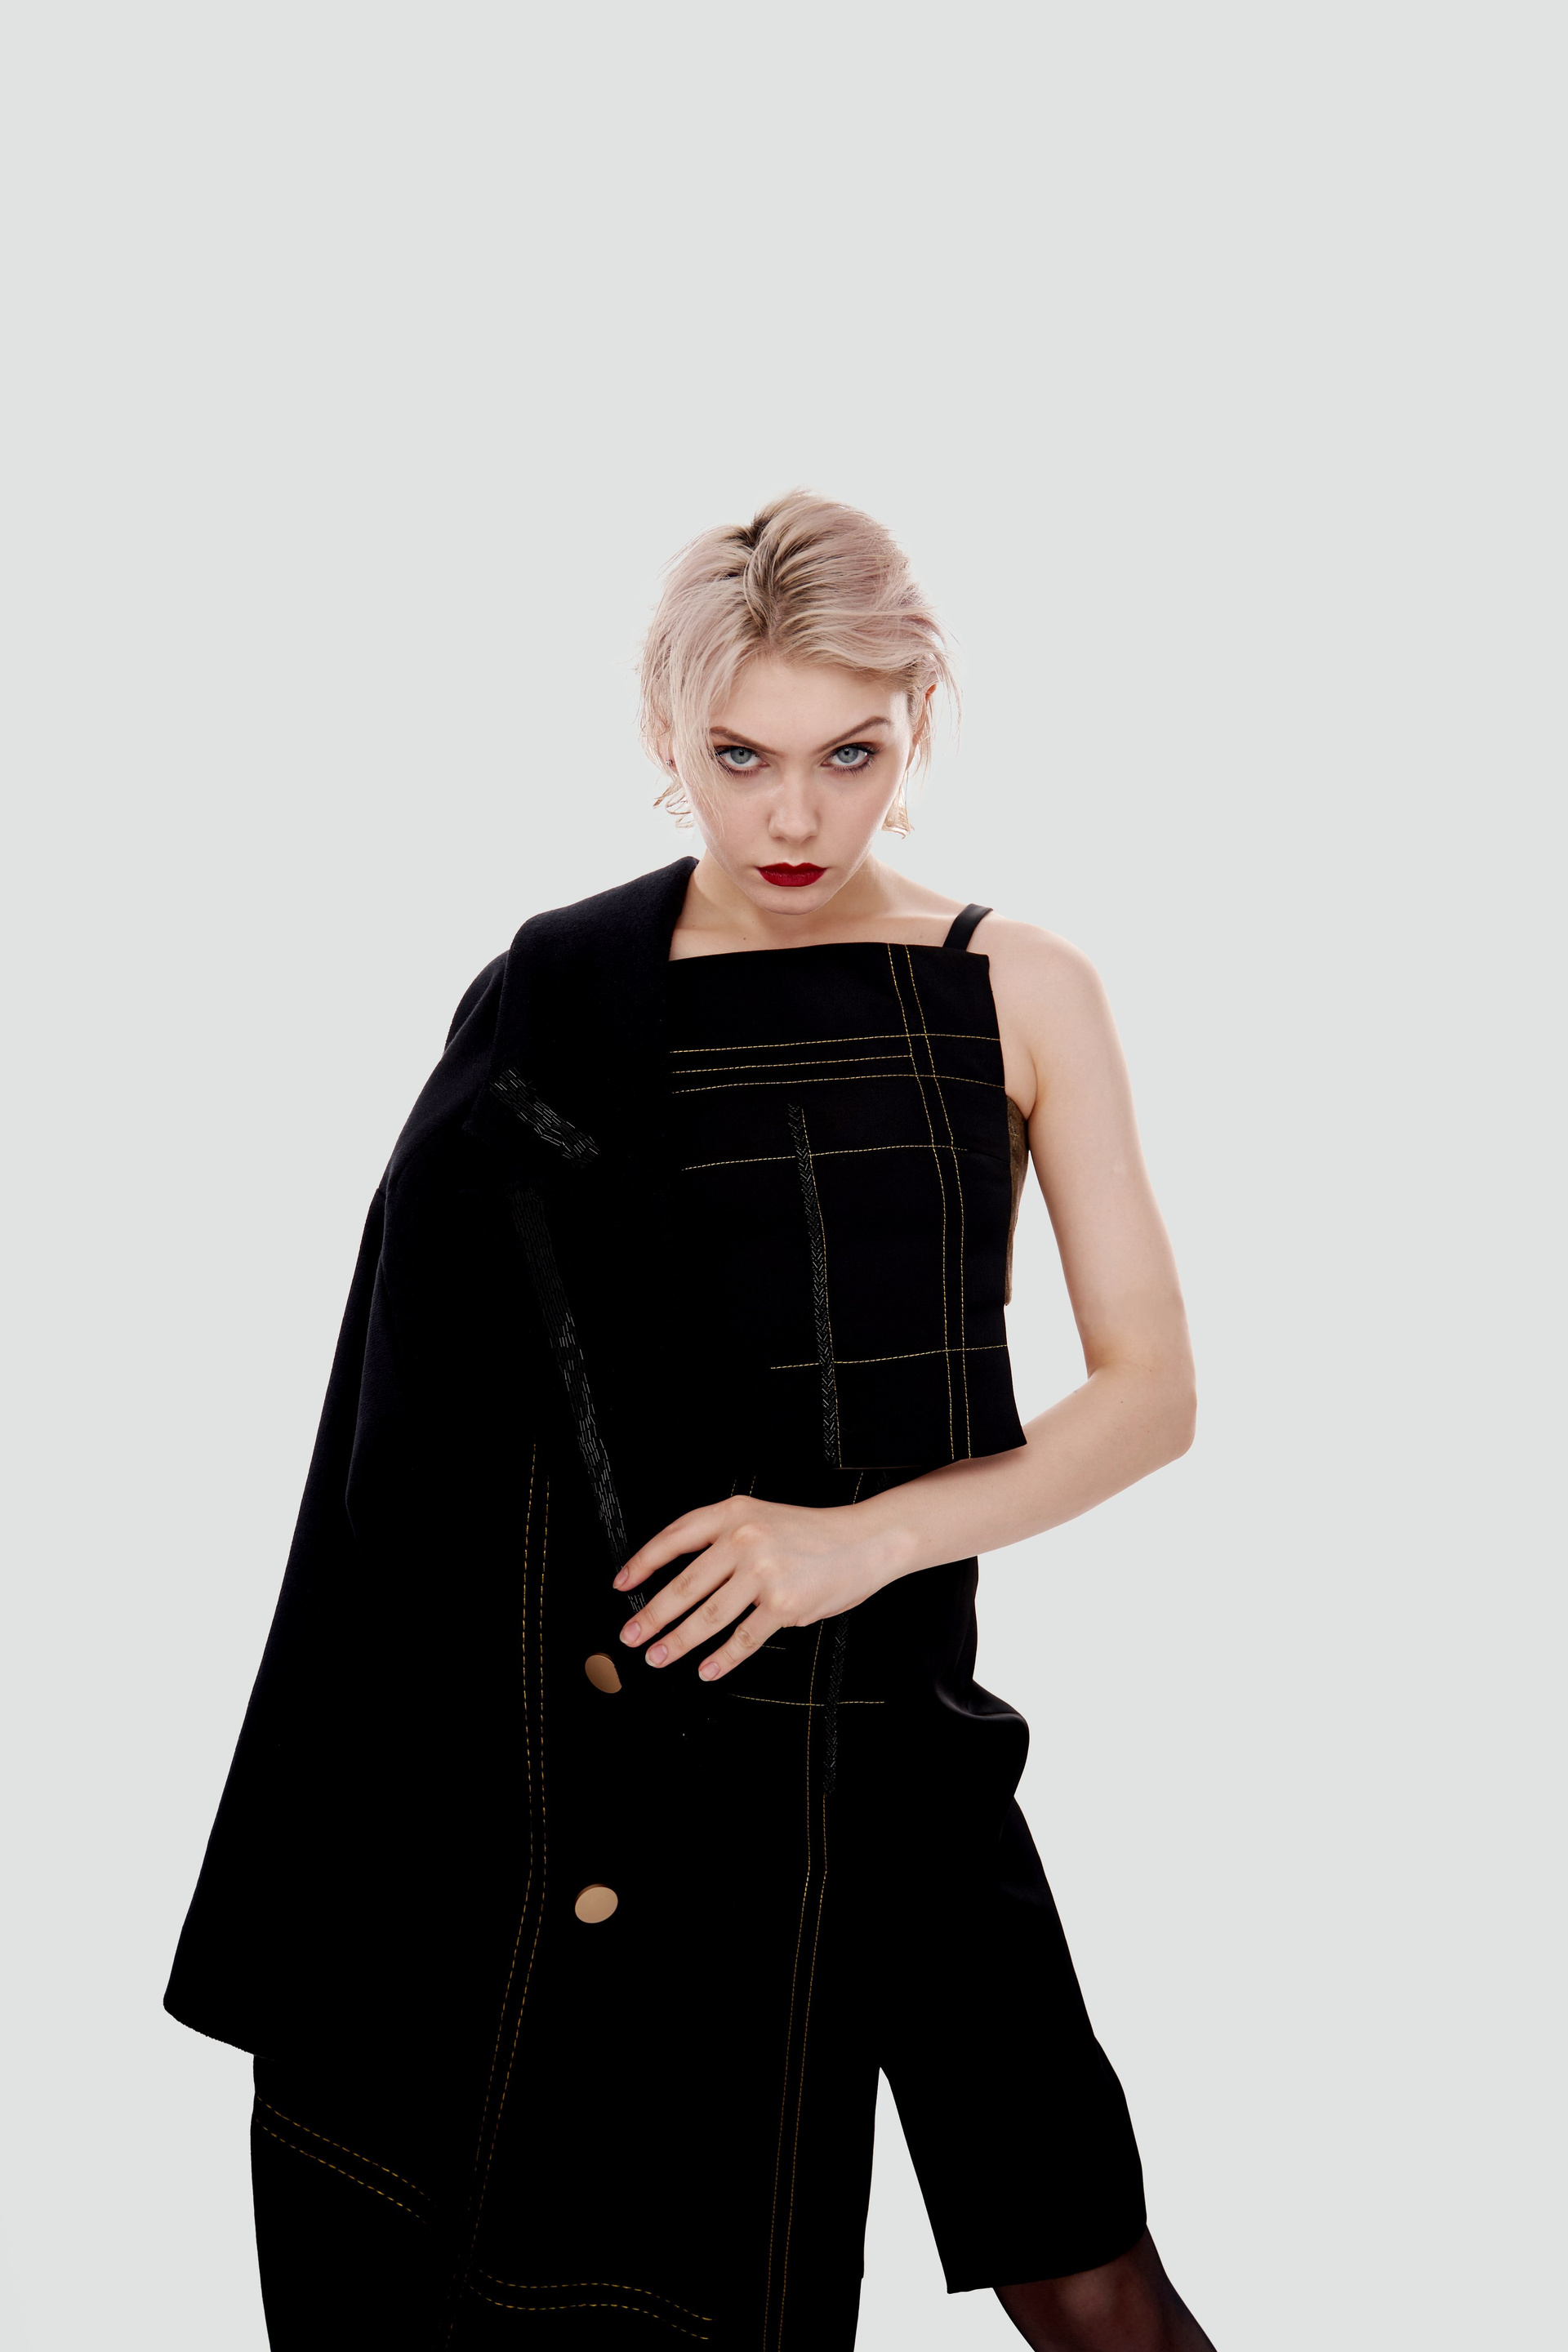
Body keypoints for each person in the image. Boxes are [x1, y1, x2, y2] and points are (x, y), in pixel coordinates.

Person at [166, 492, 1214, 2351]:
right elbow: (415, 1407)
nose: (793, 817)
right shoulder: (559, 995)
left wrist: (856, 1544)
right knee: (591, 2283)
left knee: (1087, 2267)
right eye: (741, 758)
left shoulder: (1019, 990)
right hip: (619, 1746)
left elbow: (1153, 1395)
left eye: (847, 755)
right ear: (667, 733)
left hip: (892, 1731)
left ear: (917, 724)